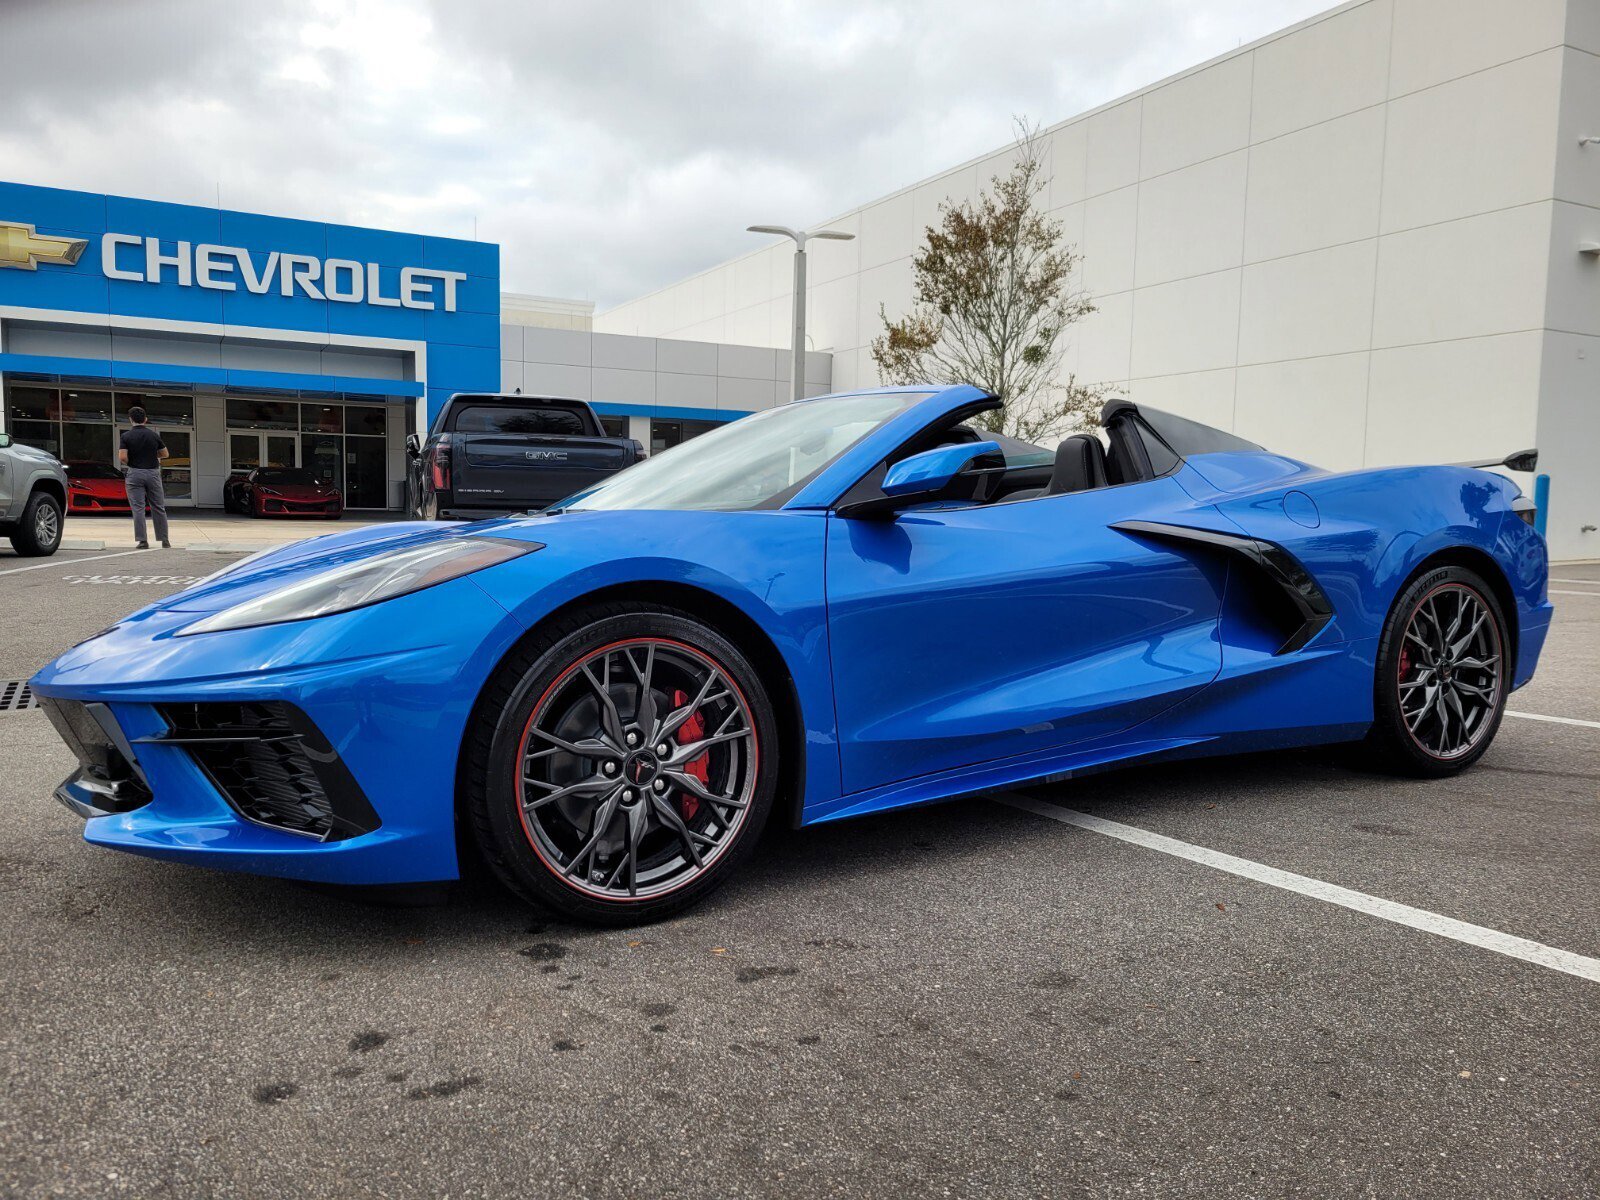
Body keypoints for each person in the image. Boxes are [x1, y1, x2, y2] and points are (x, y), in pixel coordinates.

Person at [118, 406, 170, 549]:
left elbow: (122, 456)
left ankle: (142, 540)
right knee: (158, 507)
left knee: (138, 508)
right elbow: (165, 454)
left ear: (131, 419)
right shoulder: (153, 435)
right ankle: (164, 540)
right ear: (145, 419)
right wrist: (153, 456)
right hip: (153, 473)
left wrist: (132, 461)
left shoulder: (126, 436)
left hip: (135, 473)